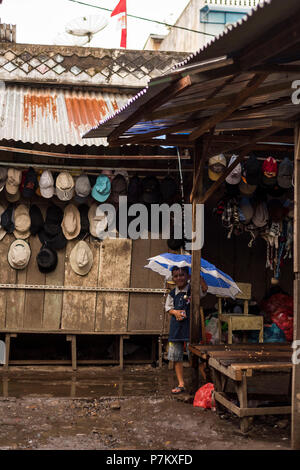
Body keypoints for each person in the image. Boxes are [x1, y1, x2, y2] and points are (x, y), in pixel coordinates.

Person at [165, 266, 208, 394]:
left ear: (188, 276)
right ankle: (181, 384)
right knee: (176, 357)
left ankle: (207, 382)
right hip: (176, 329)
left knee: (196, 357)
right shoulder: (172, 293)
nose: (179, 278)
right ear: (173, 278)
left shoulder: (192, 289)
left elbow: (204, 290)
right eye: (176, 276)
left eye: (182, 275)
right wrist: (175, 312)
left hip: (191, 328)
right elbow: (168, 308)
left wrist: (199, 278)